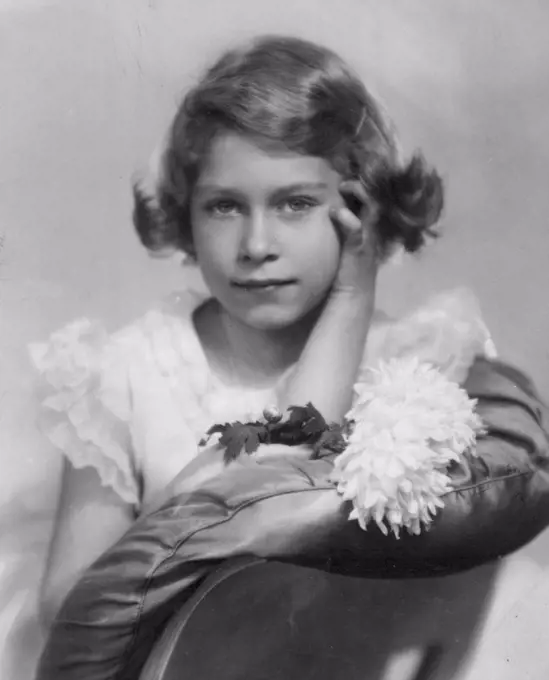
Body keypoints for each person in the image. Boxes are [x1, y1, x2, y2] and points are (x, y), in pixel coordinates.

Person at [30, 34, 499, 630]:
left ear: (363, 209)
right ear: (186, 213)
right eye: (225, 206)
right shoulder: (124, 372)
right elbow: (70, 612)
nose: (256, 247)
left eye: (295, 204)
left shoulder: (407, 365)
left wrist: (354, 298)